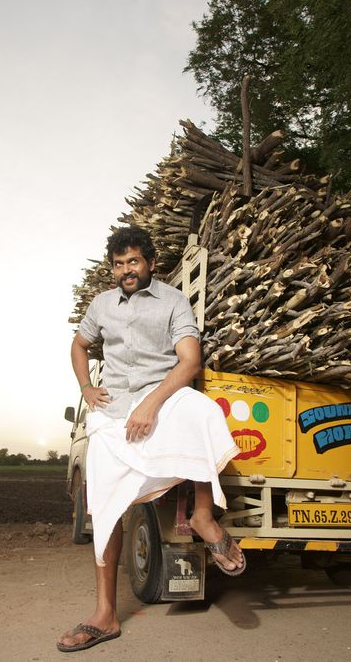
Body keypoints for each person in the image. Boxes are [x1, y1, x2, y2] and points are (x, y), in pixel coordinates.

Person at [57, 225, 245, 653]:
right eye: (119, 264)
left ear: (150, 263)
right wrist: (86, 388)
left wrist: (152, 404)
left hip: (161, 396)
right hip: (112, 412)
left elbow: (190, 361)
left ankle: (203, 516)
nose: (126, 270)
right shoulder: (102, 305)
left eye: (134, 261)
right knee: (105, 507)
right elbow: (79, 345)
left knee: (202, 410)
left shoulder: (173, 300)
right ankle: (105, 614)